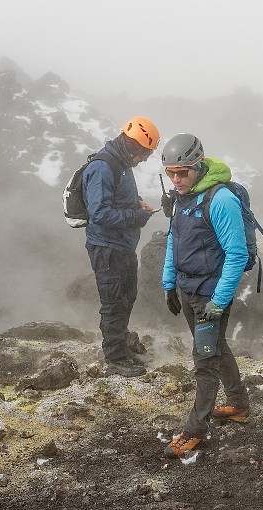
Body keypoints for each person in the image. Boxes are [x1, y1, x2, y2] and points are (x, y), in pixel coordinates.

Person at [160, 133, 250, 458]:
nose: (176, 178)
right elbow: (174, 240)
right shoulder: (183, 198)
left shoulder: (221, 199)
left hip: (211, 295)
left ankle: (195, 429)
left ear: (198, 165)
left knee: (205, 360)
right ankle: (239, 405)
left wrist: (218, 303)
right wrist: (168, 283)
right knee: (216, 349)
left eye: (182, 172)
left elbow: (237, 255)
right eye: (170, 172)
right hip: (187, 290)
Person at [84, 116, 160, 378]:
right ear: (135, 146)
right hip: (106, 247)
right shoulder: (104, 167)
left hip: (122, 246)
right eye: (145, 154)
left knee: (128, 296)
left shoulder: (121, 164)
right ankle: (115, 358)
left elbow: (119, 197)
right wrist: (137, 218)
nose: (145, 160)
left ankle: (122, 346)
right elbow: (100, 214)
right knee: (114, 302)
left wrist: (137, 203)